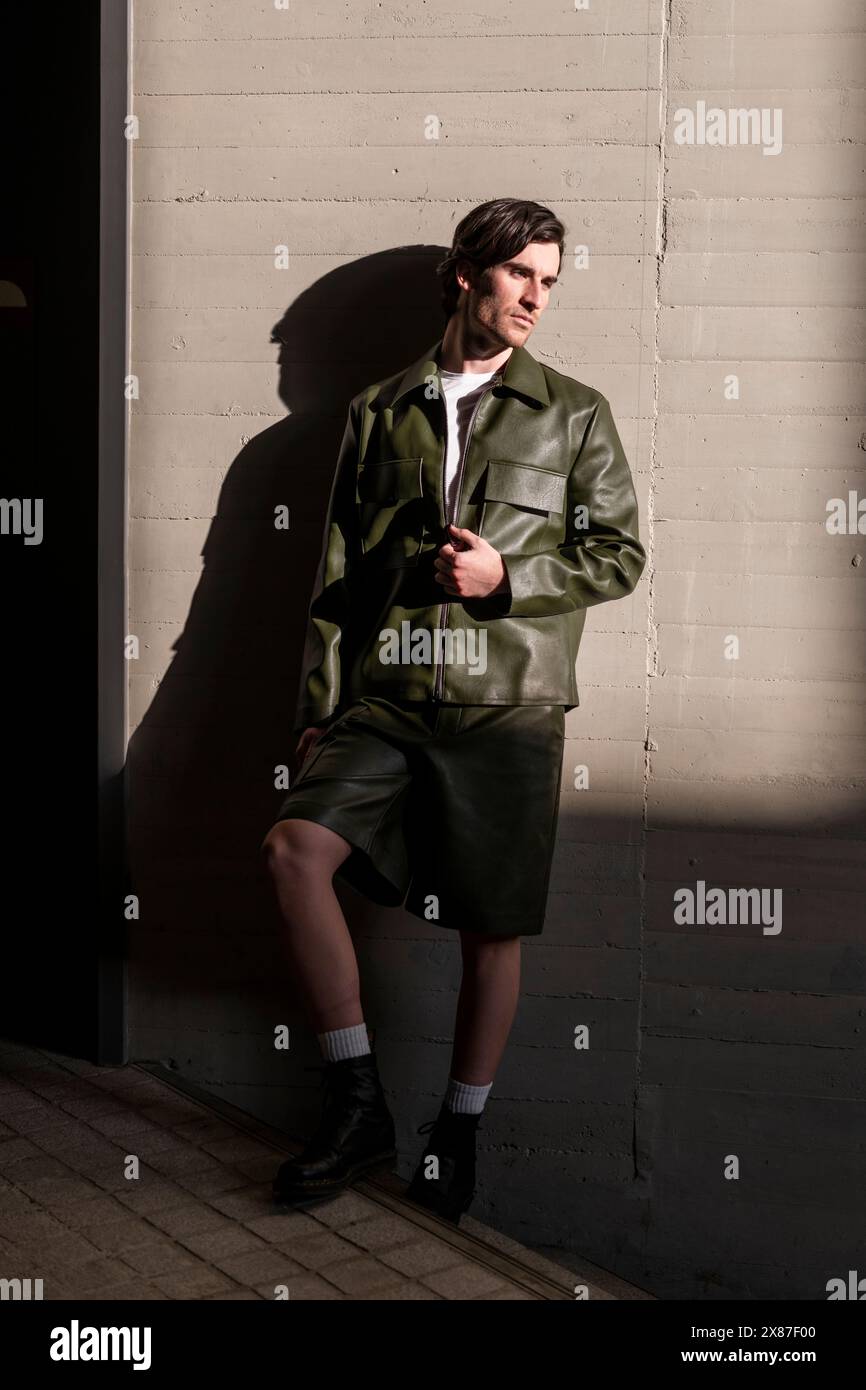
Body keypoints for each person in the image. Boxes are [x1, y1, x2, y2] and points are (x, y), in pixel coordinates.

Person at [260, 197, 646, 1226]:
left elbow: (618, 555)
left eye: (549, 281)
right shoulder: (376, 407)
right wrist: (318, 706)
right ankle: (355, 1101)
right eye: (520, 274)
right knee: (295, 852)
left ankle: (457, 1130)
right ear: (464, 274)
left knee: (491, 928)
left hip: (507, 704)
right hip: (384, 694)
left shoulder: (574, 411)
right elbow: (336, 571)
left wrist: (503, 576)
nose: (534, 297)